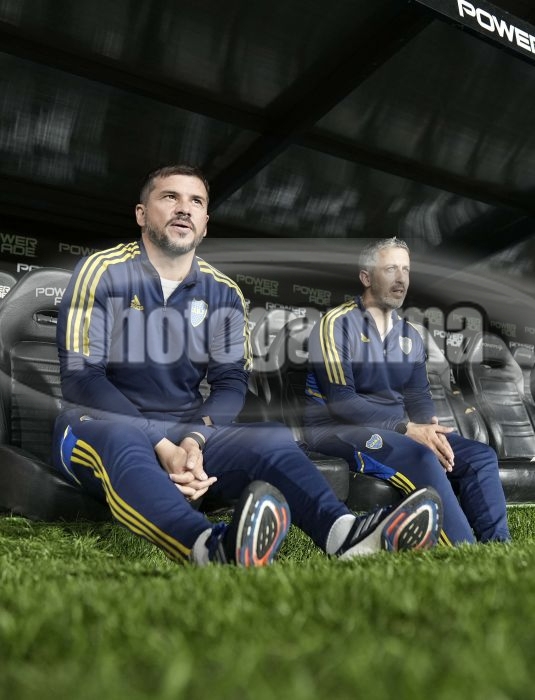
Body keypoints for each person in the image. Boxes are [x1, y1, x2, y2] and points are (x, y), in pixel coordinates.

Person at [52, 167, 443, 567]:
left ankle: (344, 533)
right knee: (121, 435)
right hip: (98, 425)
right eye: (170, 197)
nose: (184, 208)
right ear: (141, 214)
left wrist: (194, 441)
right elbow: (82, 377)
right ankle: (208, 548)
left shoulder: (224, 292)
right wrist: (162, 445)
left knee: (271, 437)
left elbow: (230, 383)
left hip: (185, 435)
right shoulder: (102, 270)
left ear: (205, 223)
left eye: (196, 201)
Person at [304, 236, 511, 546]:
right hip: (338, 431)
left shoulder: (410, 335)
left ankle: (498, 548)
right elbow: (342, 402)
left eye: (406, 270)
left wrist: (429, 430)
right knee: (422, 456)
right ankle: (463, 551)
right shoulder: (335, 324)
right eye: (390, 269)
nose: (401, 279)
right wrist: (407, 429)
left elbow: (417, 395)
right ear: (366, 277)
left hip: (397, 430)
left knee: (480, 456)